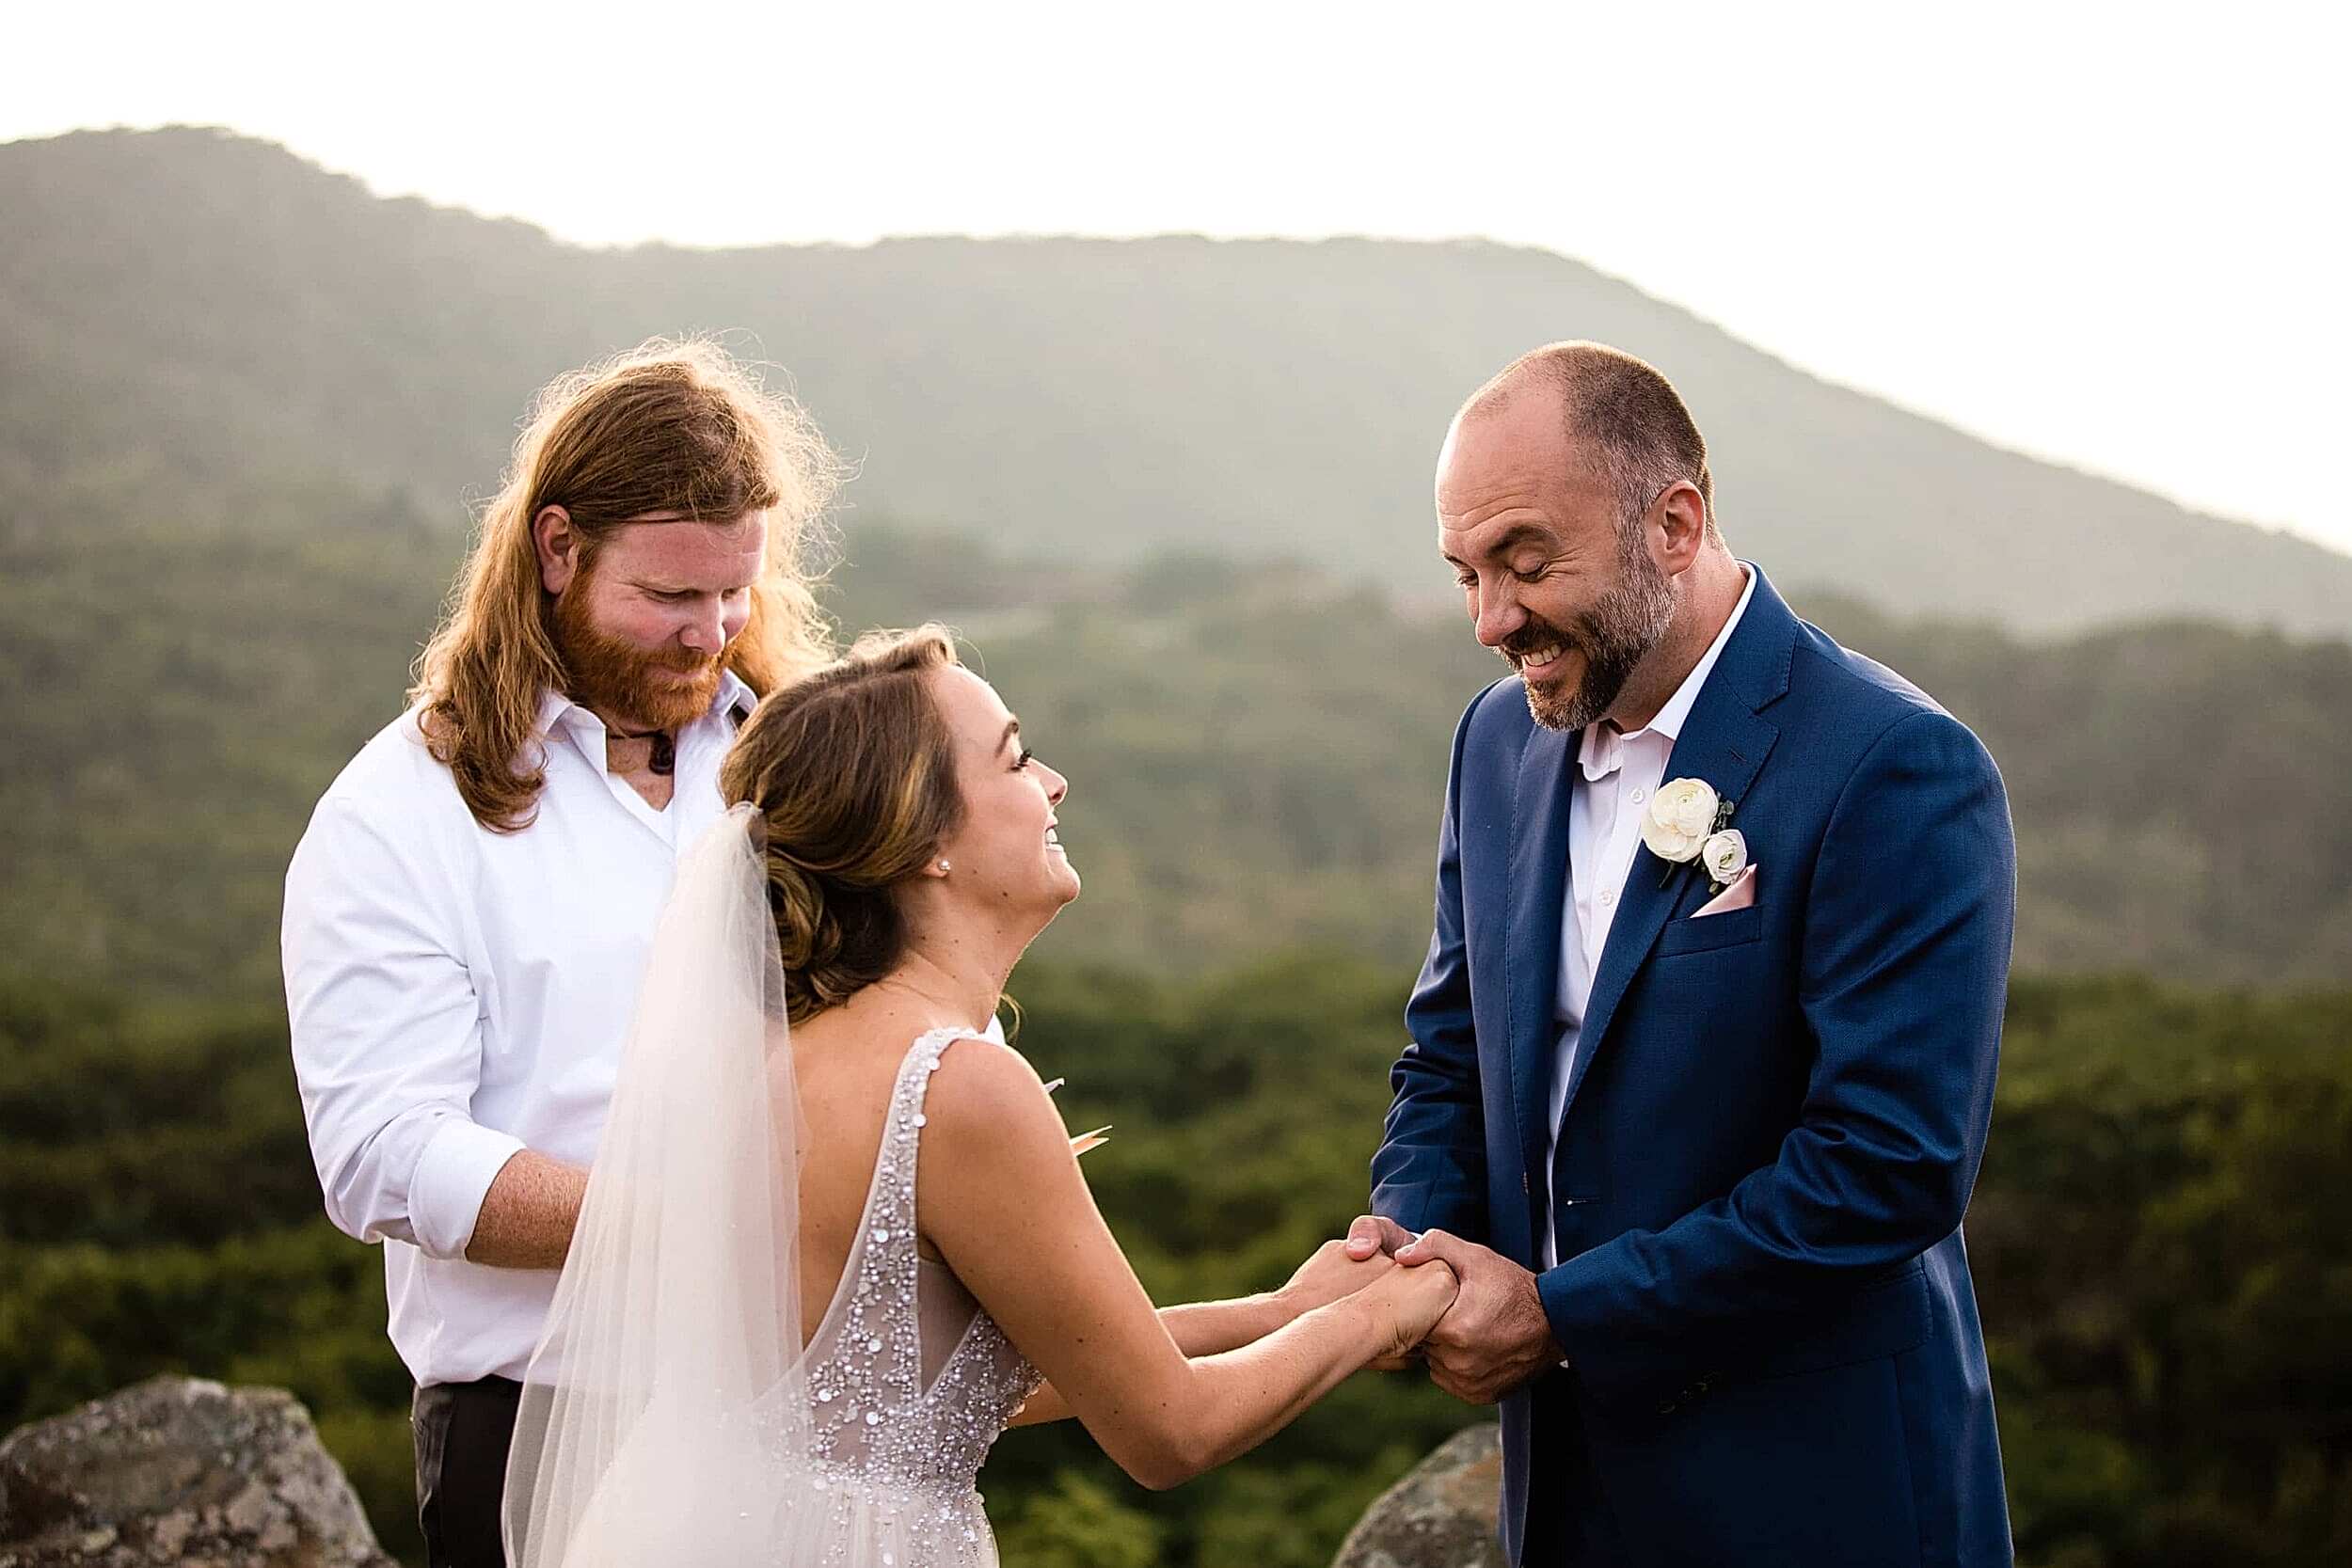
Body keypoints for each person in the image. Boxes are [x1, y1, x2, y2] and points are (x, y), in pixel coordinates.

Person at [502, 627, 1458, 1567]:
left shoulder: (771, 1053)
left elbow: (951, 1385)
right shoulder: (954, 1085)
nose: (1053, 783)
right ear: (925, 840)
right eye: (1016, 758)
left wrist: (1280, 1309)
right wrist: (1394, 1307)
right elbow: (1172, 1429)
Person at [1348, 341, 2017, 1565]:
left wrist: (1558, 1317)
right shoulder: (1496, 740)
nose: (1494, 618)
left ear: (1673, 521)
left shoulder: (1895, 764)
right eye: (1466, 574)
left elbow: (1888, 1164)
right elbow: (1452, 1054)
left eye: (1527, 561)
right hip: (1559, 1492)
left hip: (1818, 1496)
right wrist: (1408, 1241)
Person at [283, 339, 842, 1567]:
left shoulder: (801, 762)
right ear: (555, 548)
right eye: (668, 596)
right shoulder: (399, 812)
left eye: (734, 591)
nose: (710, 633)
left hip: (820, 1418)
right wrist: (690, 1227)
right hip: (539, 1430)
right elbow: (381, 1153)